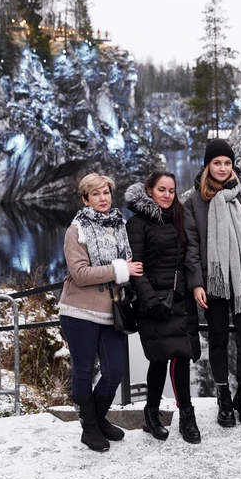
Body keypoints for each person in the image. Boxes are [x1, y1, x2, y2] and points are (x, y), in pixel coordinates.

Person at [184, 139, 241, 427]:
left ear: (233, 165)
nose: (223, 168)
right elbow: (192, 246)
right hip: (215, 282)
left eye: (227, 163)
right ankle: (223, 395)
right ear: (207, 166)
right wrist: (197, 282)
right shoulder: (195, 201)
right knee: (219, 339)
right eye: (217, 163)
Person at [58, 173, 143, 451]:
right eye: (95, 194)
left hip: (112, 309)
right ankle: (90, 428)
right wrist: (121, 269)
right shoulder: (76, 231)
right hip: (79, 310)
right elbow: (80, 274)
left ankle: (97, 418)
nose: (103, 199)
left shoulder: (119, 226)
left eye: (106, 193)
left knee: (114, 371)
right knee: (84, 371)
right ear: (85, 199)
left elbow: (130, 262)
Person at [125, 172, 202, 444]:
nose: (167, 195)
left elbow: (188, 259)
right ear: (149, 191)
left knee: (181, 356)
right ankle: (151, 412)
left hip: (180, 301)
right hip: (153, 303)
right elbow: (136, 268)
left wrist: (194, 287)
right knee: (158, 359)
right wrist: (150, 300)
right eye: (161, 189)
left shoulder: (180, 219)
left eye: (171, 190)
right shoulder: (137, 224)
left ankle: (186, 415)